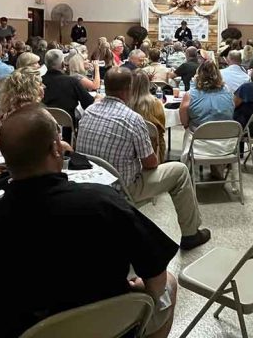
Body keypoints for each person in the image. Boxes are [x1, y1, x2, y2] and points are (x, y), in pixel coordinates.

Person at [0, 104, 179, 338]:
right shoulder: (104, 202)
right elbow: (155, 275)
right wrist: (146, 290)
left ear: (5, 161)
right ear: (57, 148)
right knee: (169, 283)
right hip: (110, 329)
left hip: (21, 332)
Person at [77, 68, 210, 250]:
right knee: (180, 171)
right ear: (129, 87)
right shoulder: (132, 119)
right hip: (122, 188)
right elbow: (151, 163)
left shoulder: (89, 111)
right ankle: (191, 234)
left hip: (89, 184)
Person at [42, 49, 94, 143]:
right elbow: (88, 104)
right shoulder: (72, 82)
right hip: (67, 133)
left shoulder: (39, 82)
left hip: (43, 127)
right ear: (62, 64)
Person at [0, 68, 44, 145]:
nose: (44, 87)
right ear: (32, 89)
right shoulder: (38, 115)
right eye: (40, 84)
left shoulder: (6, 112)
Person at [130, 70, 166, 162]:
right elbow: (162, 128)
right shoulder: (156, 104)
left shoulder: (125, 103)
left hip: (130, 147)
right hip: (152, 148)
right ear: (148, 84)